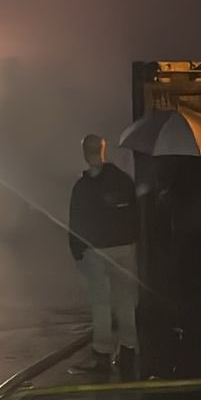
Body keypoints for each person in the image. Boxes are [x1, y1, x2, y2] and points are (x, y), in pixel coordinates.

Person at [67, 133, 139, 374]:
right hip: (123, 248)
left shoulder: (83, 187)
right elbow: (135, 214)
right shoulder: (123, 180)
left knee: (100, 303)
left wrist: (78, 252)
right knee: (125, 301)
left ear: (85, 153)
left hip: (96, 251)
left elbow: (76, 222)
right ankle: (129, 348)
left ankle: (102, 354)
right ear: (103, 149)